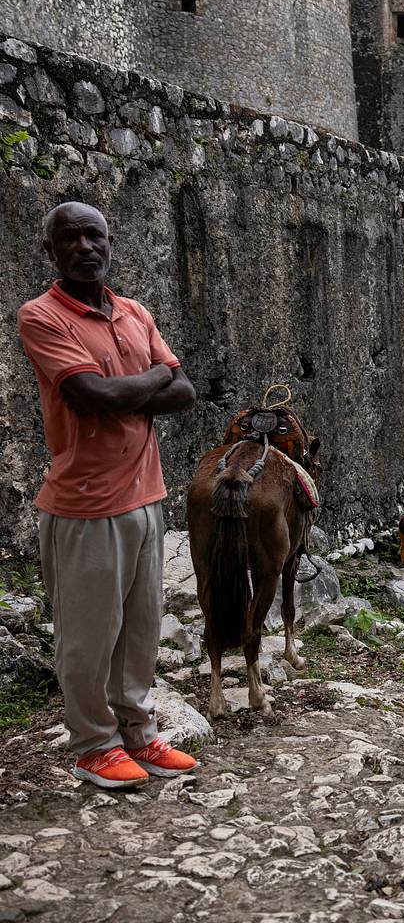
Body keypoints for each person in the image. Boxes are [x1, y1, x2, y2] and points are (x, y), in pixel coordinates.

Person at [17, 201, 199, 790]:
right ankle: (94, 745)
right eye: (68, 238)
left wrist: (131, 391)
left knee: (141, 629)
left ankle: (139, 735)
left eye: (93, 235)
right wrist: (153, 381)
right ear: (51, 251)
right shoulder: (42, 316)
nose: (83, 247)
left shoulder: (133, 312)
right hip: (86, 504)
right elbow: (92, 396)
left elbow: (186, 392)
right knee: (89, 635)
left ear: (109, 241)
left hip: (146, 496)